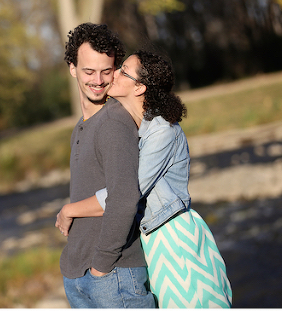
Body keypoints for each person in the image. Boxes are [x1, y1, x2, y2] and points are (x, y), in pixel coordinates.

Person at [56, 50, 233, 308]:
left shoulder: (162, 131)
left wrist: (70, 209)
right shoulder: (135, 127)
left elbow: (124, 193)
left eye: (122, 70)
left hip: (173, 240)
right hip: (151, 240)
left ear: (139, 87)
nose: (112, 74)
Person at [56, 22, 155, 308]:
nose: (98, 80)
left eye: (106, 71)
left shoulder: (112, 122)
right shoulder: (83, 126)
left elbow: (124, 197)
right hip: (80, 274)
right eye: (89, 71)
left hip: (113, 278)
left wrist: (101, 267)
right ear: (73, 68)